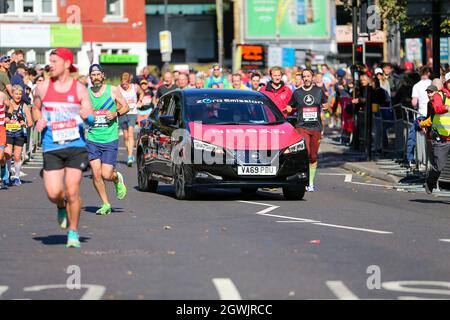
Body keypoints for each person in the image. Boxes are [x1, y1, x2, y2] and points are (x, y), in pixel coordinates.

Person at [32, 48, 94, 249]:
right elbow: (35, 107)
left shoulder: (79, 89)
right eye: (49, 61)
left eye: (54, 61)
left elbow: (91, 118)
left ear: (67, 64)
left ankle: (73, 232)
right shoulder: (42, 87)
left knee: (73, 190)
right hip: (52, 145)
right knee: (53, 193)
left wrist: (87, 115)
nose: (50, 65)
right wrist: (38, 119)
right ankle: (60, 205)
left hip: (76, 146)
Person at [86, 64, 129, 215]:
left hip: (110, 138)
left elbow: (126, 106)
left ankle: (116, 178)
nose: (96, 77)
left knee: (106, 174)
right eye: (93, 75)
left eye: (98, 74)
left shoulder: (112, 90)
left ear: (102, 75)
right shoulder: (86, 93)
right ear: (90, 77)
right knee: (96, 174)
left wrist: (115, 113)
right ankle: (105, 204)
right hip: (92, 138)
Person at [285, 68, 327, 192]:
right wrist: (288, 108)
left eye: (308, 76)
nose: (306, 78)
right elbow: (290, 105)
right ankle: (304, 180)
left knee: (313, 156)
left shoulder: (319, 91)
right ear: (302, 78)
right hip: (302, 126)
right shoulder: (297, 93)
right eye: (304, 76)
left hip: (316, 127)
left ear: (312, 77)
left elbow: (325, 105)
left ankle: (311, 183)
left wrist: (327, 107)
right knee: (305, 153)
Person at [421, 84, 450, 194]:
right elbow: (437, 109)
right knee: (439, 166)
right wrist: (446, 108)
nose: (429, 94)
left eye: (430, 92)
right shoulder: (439, 95)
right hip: (442, 139)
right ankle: (430, 181)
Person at [4, 85, 33, 186]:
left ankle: (16, 177)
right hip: (8, 132)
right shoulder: (8, 104)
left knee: (16, 156)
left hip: (19, 133)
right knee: (7, 154)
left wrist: (24, 124)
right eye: (16, 94)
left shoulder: (24, 106)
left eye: (20, 94)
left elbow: (30, 123)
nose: (18, 96)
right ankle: (7, 176)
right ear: (12, 94)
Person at [119, 72, 144, 167]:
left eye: (126, 84)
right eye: (123, 84)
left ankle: (129, 156)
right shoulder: (118, 88)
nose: (124, 86)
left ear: (129, 81)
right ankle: (129, 153)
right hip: (122, 113)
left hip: (132, 113)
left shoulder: (135, 87)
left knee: (130, 134)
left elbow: (141, 93)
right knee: (125, 136)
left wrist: (140, 101)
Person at [0, 91, 10, 190]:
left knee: (0, 157)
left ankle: (3, 167)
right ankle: (2, 179)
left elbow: (10, 106)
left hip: (1, 129)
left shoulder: (2, 95)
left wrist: (8, 116)